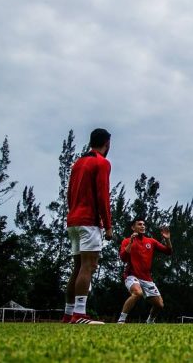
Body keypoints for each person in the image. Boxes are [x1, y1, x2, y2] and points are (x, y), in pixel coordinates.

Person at [63, 128, 112, 325]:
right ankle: (80, 314)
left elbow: (69, 193)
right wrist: (108, 225)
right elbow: (103, 195)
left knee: (77, 267)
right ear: (107, 143)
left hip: (73, 220)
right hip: (89, 221)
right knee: (88, 266)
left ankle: (68, 314)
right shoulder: (102, 163)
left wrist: (73, 214)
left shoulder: (78, 163)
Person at [117, 218, 172, 324]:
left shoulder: (151, 241)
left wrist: (167, 239)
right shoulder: (126, 241)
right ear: (133, 227)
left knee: (159, 305)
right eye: (139, 224)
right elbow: (123, 258)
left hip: (147, 278)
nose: (142, 226)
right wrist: (131, 243)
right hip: (131, 275)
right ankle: (121, 320)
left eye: (143, 224)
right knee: (137, 293)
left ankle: (150, 321)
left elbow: (168, 251)